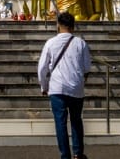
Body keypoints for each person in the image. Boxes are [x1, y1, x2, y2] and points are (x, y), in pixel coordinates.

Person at [37, 11, 91, 159]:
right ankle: (78, 153)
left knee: (60, 122)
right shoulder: (81, 43)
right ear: (73, 26)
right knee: (76, 120)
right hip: (76, 87)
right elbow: (87, 68)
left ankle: (65, 155)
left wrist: (44, 86)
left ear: (58, 25)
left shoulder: (50, 43)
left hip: (57, 87)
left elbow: (42, 68)